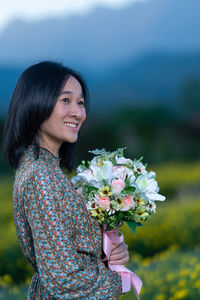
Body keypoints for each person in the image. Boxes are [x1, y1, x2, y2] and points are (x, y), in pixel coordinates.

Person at [3, 61, 129, 299]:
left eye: (81, 102)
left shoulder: (46, 171)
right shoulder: (41, 177)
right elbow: (64, 280)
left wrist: (109, 253)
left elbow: (70, 254)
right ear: (36, 102)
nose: (78, 112)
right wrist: (118, 282)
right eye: (66, 100)